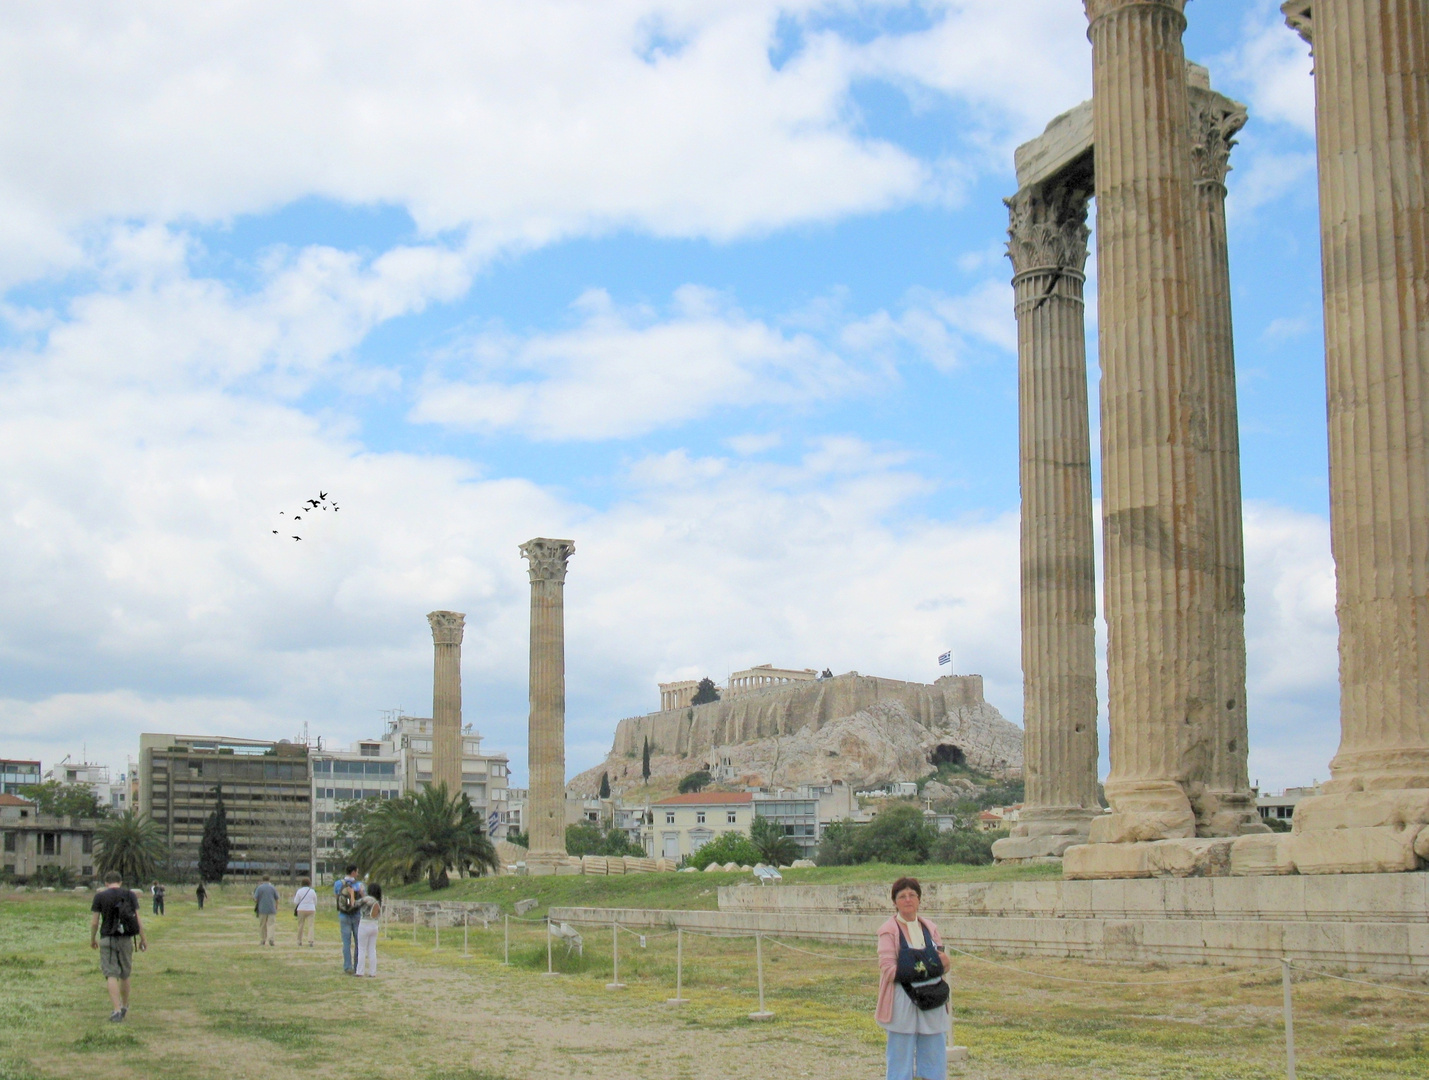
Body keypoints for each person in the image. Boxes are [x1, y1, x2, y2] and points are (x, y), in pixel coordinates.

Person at [876, 877, 951, 1080]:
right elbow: (889, 969)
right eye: (902, 896)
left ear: (919, 900)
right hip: (903, 999)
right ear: (895, 902)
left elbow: (944, 963)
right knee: (900, 1053)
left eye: (912, 895)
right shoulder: (888, 932)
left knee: (934, 1051)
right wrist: (924, 968)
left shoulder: (930, 928)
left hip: (932, 998)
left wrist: (936, 965)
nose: (908, 900)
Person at [90, 871, 147, 1023]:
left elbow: (95, 922)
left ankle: (116, 1010)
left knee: (111, 974)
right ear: (120, 882)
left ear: (106, 883)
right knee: (125, 974)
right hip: (126, 938)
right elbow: (138, 920)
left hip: (107, 938)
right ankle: (125, 1005)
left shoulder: (100, 897)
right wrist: (143, 939)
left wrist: (92, 939)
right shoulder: (130, 895)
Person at [334, 865, 365, 974]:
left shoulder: (338, 884)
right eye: (357, 872)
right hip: (356, 915)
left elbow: (337, 897)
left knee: (346, 942)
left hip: (343, 915)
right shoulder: (359, 884)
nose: (357, 874)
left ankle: (347, 966)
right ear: (353, 872)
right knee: (358, 942)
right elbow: (364, 898)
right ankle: (357, 966)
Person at [354, 883, 382, 977]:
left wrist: (351, 894)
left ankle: (360, 971)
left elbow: (354, 903)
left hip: (364, 924)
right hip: (374, 925)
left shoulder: (366, 899)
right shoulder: (378, 901)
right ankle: (372, 972)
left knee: (361, 949)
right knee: (372, 949)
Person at [253, 875, 280, 946]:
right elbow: (277, 898)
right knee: (271, 924)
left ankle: (263, 940)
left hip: (262, 909)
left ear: (262, 880)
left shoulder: (259, 888)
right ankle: (271, 939)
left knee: (262, 925)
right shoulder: (273, 887)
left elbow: (255, 899)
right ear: (269, 880)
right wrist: (276, 906)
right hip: (271, 909)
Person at [292, 876, 318, 947]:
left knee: (300, 925)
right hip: (311, 909)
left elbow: (296, 901)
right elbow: (315, 901)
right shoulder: (312, 891)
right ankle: (311, 941)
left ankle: (299, 940)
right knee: (310, 925)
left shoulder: (299, 891)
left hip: (301, 909)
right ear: (309, 883)